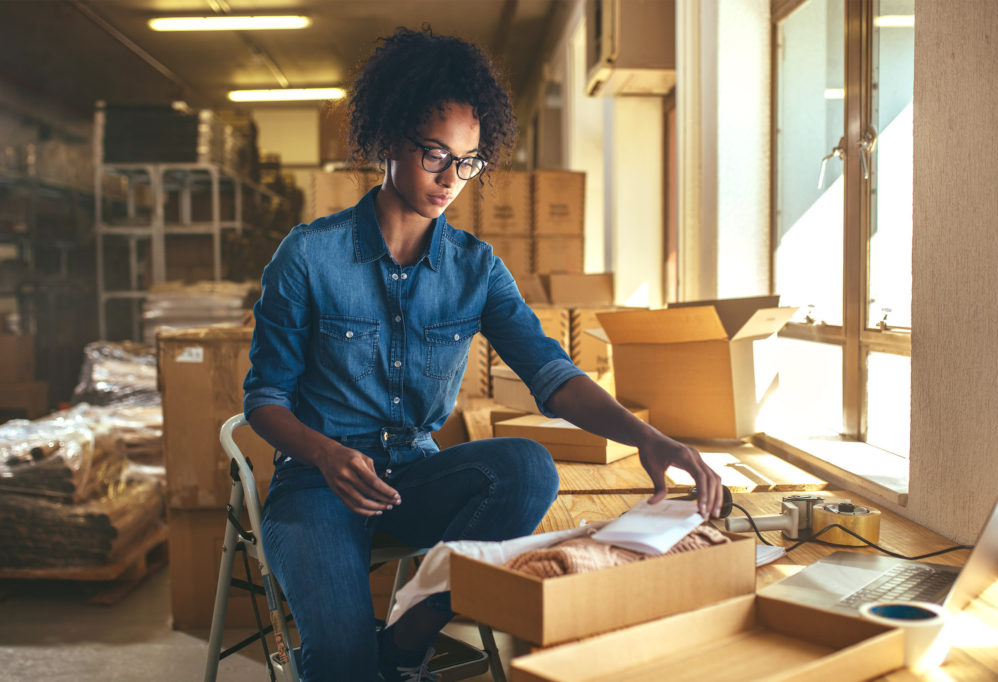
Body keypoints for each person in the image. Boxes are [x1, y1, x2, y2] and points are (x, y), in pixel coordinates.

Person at [243, 26, 722, 682]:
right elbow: (264, 400)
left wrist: (650, 437)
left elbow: (551, 373)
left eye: (468, 162)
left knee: (527, 468)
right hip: (318, 482)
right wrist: (326, 453)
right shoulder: (308, 256)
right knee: (341, 668)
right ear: (387, 139)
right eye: (436, 153)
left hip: (414, 473)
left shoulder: (476, 268)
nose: (451, 178)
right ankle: (372, 658)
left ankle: (409, 639)